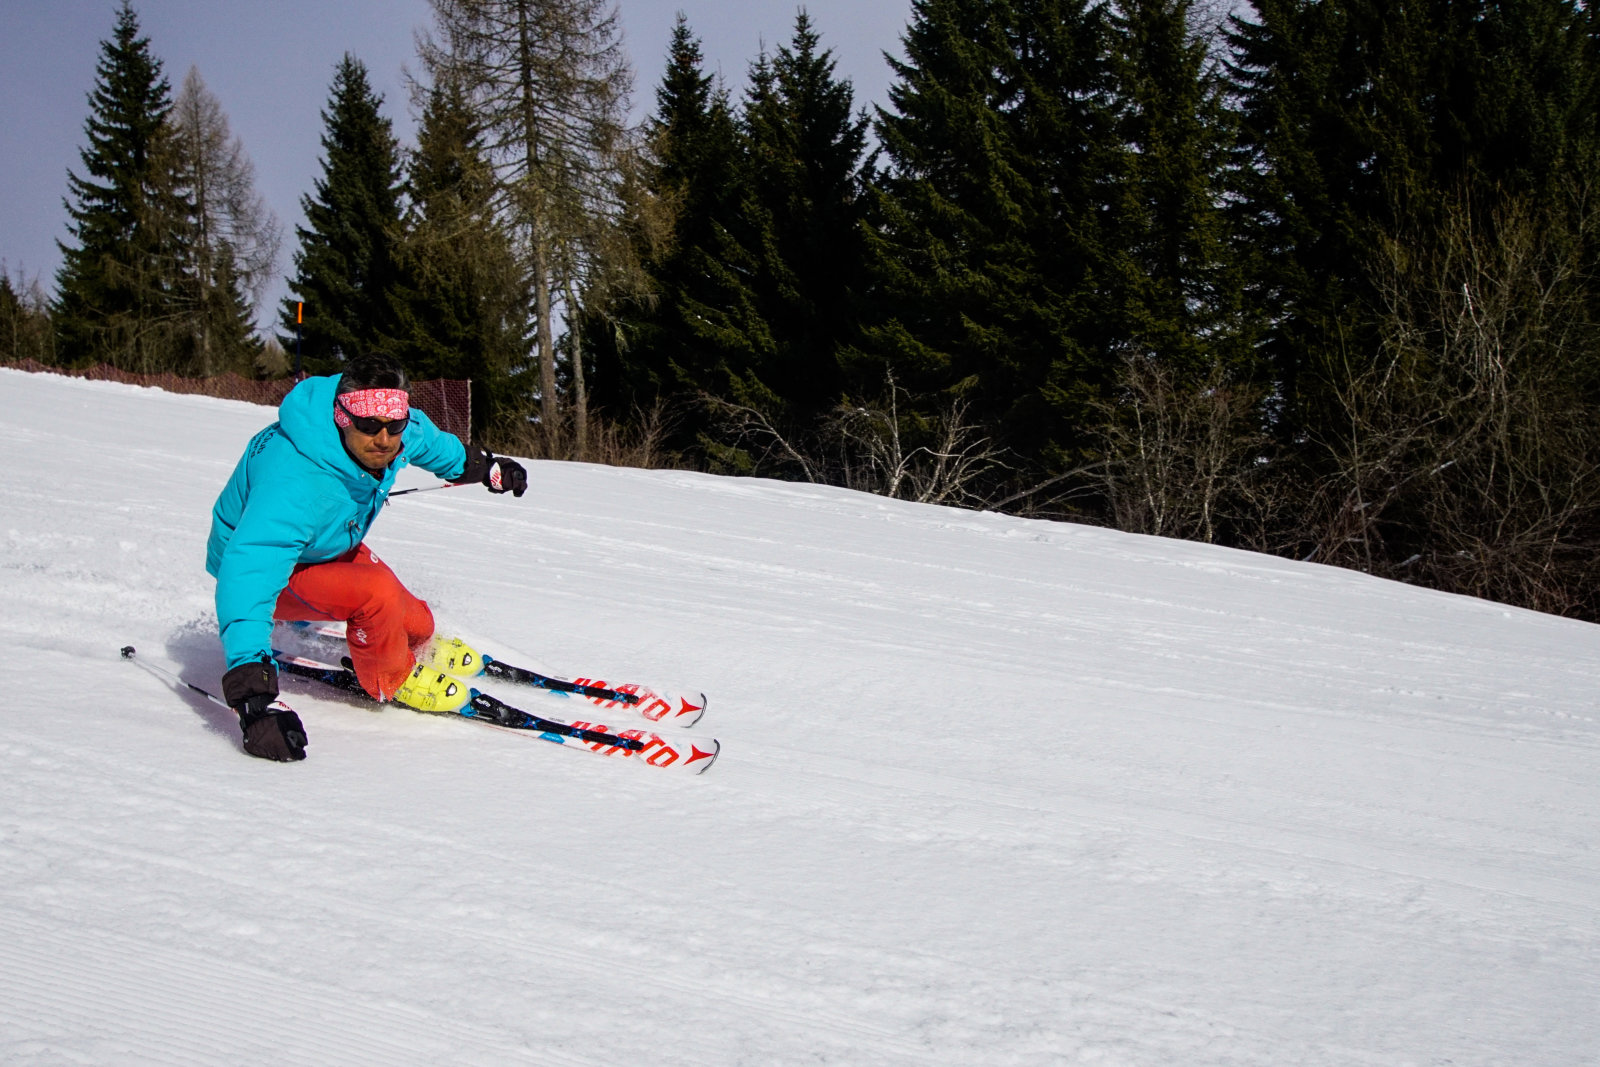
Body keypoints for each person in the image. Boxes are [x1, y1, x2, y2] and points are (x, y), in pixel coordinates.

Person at [206, 353, 527, 762]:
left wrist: (485, 468)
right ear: (342, 419)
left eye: (394, 426)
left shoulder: (393, 427)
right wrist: (253, 697)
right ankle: (389, 679)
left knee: (414, 617)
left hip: (324, 543)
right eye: (369, 427)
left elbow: (429, 442)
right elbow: (247, 573)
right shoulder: (294, 482)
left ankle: (411, 643)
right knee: (374, 594)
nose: (384, 439)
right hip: (269, 568)